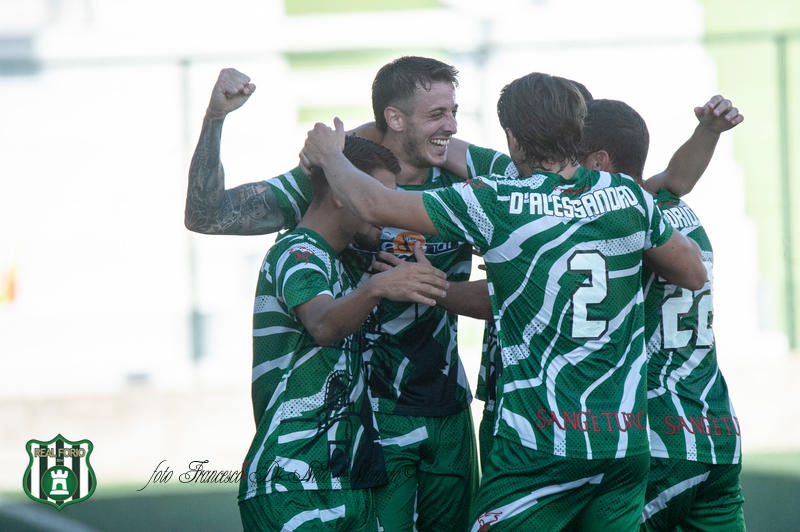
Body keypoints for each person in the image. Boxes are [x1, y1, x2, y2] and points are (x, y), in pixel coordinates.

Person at [299, 71, 708, 531]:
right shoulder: (626, 197)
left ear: (513, 140)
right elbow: (693, 273)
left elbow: (372, 204)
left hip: (541, 442)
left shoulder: (498, 201)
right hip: (623, 444)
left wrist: (332, 156)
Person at [185, 58, 510, 531]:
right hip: (369, 418)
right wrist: (215, 119)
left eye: (453, 113)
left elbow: (554, 197)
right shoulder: (342, 172)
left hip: (448, 409)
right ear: (395, 119)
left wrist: (448, 145)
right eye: (438, 114)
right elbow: (208, 214)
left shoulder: (474, 175)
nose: (451, 125)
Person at [238, 134, 450, 531]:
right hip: (293, 481)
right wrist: (377, 288)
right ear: (340, 192)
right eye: (372, 194)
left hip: (351, 479)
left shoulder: (344, 262)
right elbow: (322, 324)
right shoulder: (298, 252)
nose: (386, 211)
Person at [580, 98, 746, 531]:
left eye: (570, 160)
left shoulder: (622, 225)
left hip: (661, 435)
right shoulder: (669, 205)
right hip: (716, 428)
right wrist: (707, 132)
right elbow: (675, 178)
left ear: (598, 162)